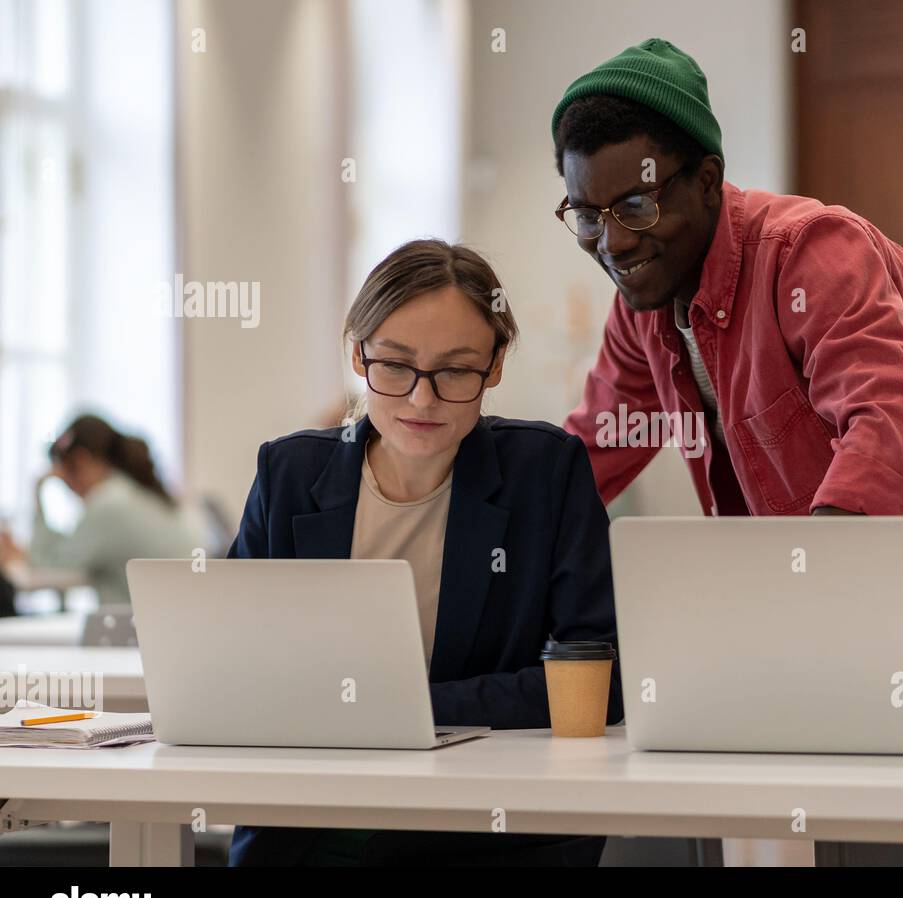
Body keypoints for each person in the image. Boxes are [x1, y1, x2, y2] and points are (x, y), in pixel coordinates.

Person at [553, 38, 903, 669]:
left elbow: (891, 419)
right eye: (587, 215)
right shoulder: (643, 313)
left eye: (637, 205)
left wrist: (813, 580)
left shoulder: (807, 251)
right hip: (865, 605)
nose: (613, 243)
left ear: (708, 182)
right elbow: (589, 452)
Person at [226, 239, 620, 866]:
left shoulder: (543, 473)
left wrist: (401, 710)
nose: (422, 399)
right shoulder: (290, 473)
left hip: (484, 830)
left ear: (494, 366)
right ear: (358, 354)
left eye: (457, 370)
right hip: (306, 823)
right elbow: (234, 664)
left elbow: (598, 681)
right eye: (396, 365)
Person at [0, 415, 201, 606]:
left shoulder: (110, 504)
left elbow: (46, 563)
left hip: (143, 631)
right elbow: (67, 551)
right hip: (176, 621)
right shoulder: (136, 492)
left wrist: (39, 492)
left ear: (80, 460)